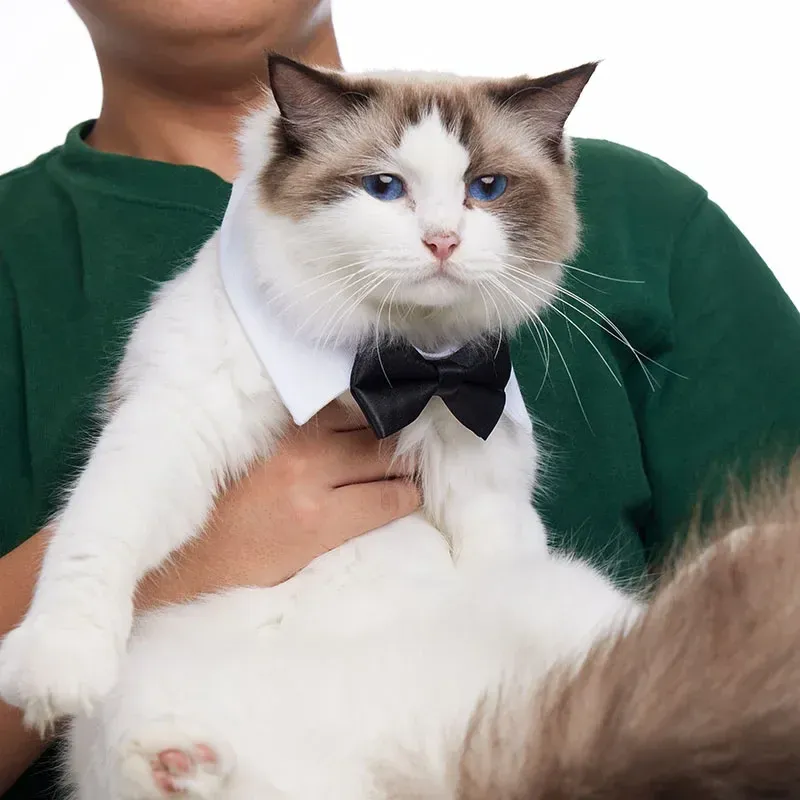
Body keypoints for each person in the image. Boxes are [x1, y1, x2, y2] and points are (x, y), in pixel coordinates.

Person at [1, 1, 799, 797]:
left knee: (571, 602)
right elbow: (160, 446)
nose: (444, 233)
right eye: (385, 186)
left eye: (486, 187)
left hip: (477, 719)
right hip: (236, 699)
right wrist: (167, 569)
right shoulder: (85, 271)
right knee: (138, 710)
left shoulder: (654, 224)